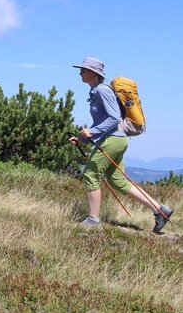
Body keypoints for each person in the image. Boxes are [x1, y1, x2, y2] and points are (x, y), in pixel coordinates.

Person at [68, 57, 173, 233]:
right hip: (114, 139)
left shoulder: (102, 90)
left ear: (93, 73)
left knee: (91, 173)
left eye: (83, 70)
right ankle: (160, 210)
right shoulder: (97, 91)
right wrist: (83, 140)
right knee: (118, 181)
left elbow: (113, 118)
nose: (80, 72)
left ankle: (93, 220)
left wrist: (91, 132)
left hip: (114, 139)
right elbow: (104, 121)